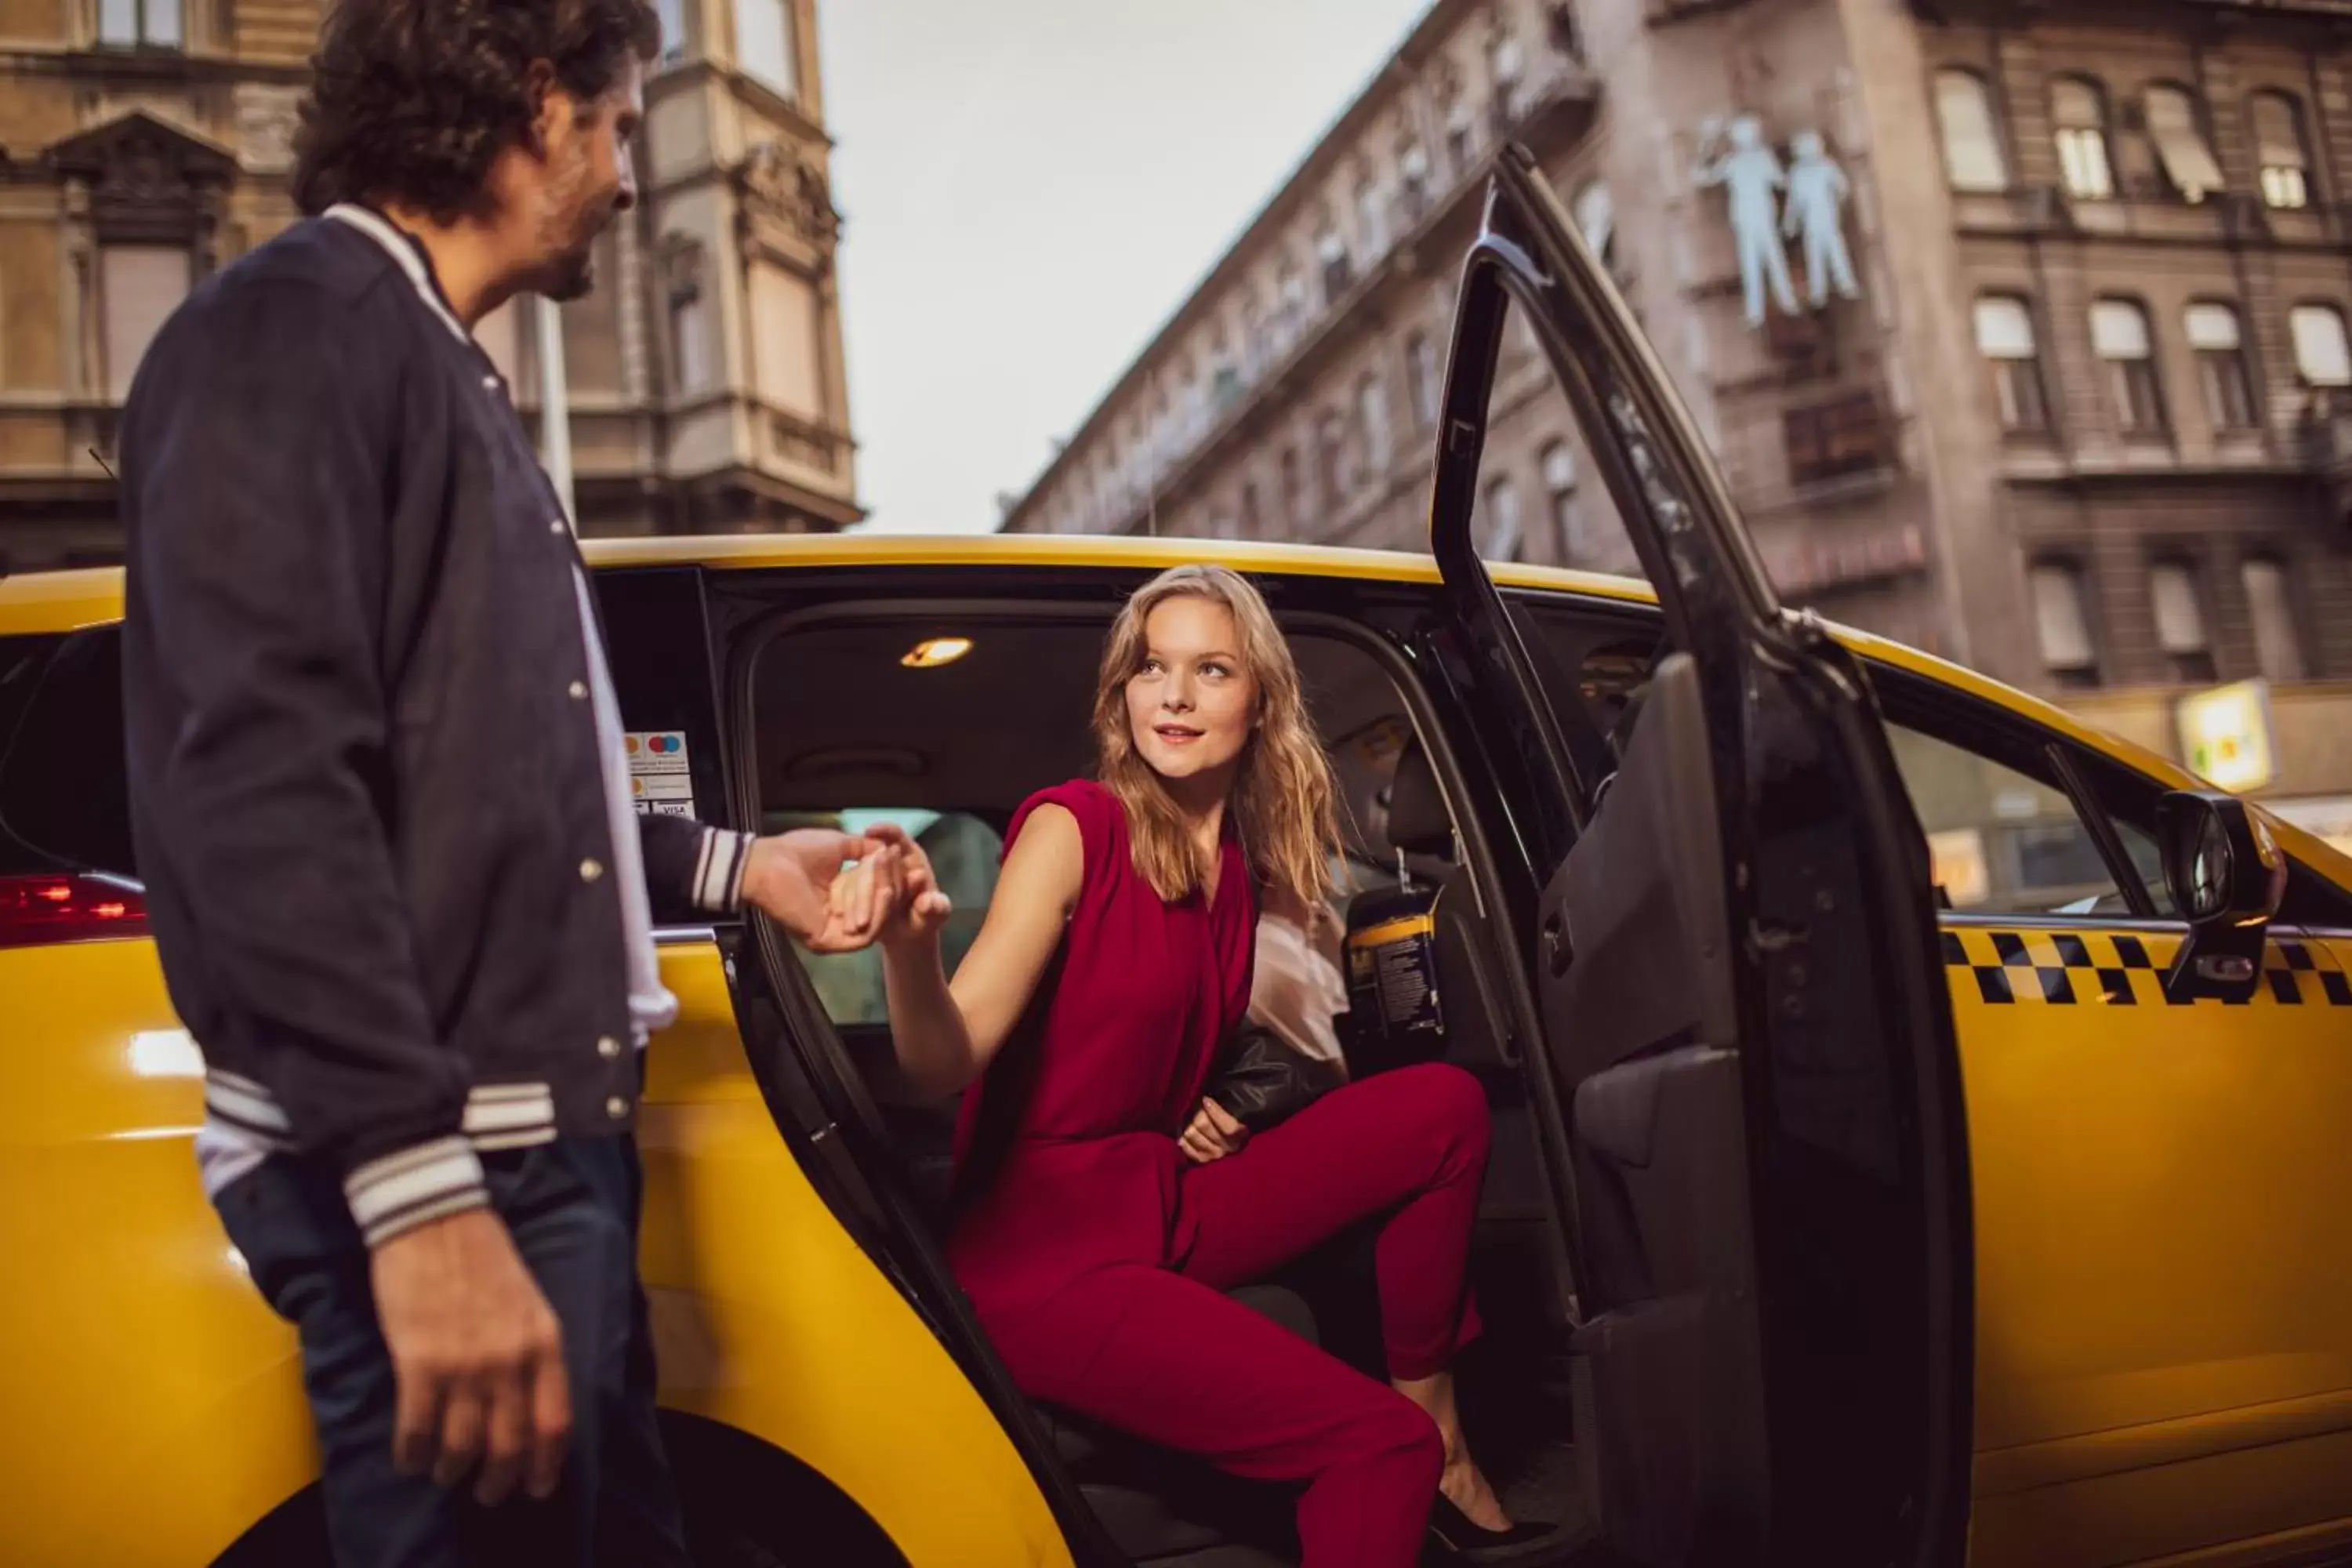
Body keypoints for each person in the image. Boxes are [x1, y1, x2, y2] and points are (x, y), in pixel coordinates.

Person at [114, 0, 908, 1560]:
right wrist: (416, 1200)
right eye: (617, 127)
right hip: (448, 1155)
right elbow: (265, 791)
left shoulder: (436, 364)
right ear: (536, 107)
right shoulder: (293, 327)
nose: (625, 173)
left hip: (531, 1142)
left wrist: (738, 868)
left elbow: (483, 781)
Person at [854, 565, 1552, 1566]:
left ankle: (1442, 1427)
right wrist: (909, 950)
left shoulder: (1232, 871)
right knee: (1372, 1448)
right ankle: (1416, 1446)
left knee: (1441, 1108)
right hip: (1044, 1255)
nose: (1173, 694)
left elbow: (1161, 1035)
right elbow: (942, 1060)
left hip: (1157, 1199)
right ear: (1122, 692)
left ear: (1258, 697)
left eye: (1210, 668)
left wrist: (1206, 1101)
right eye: (1151, 666)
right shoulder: (1072, 826)